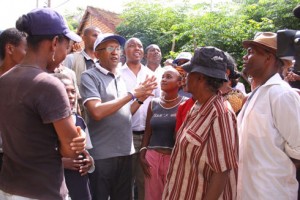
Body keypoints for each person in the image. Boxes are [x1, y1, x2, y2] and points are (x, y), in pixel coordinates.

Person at [0, 8, 85, 200]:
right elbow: (71, 150)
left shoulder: (4, 80)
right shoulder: (48, 84)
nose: (67, 51)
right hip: (42, 191)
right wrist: (77, 137)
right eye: (68, 45)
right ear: (55, 43)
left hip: (8, 188)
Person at [80, 33, 157, 200]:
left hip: (126, 153)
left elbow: (125, 112)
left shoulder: (120, 78)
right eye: (109, 48)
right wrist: (132, 94)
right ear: (97, 53)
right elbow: (97, 112)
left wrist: (141, 100)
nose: (115, 52)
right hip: (102, 156)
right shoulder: (89, 76)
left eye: (117, 48)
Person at [163, 46, 238, 200]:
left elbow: (222, 171)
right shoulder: (198, 106)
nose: (184, 78)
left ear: (200, 78)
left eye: (188, 73)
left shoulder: (220, 114)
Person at [237, 32, 300, 199]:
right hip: (246, 192)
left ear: (268, 58)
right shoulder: (256, 95)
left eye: (251, 52)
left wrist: (275, 169)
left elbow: (299, 149)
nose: (245, 57)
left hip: (271, 193)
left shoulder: (281, 94)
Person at [120, 38, 159, 200]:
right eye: (131, 45)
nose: (136, 48)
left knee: (145, 181)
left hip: (147, 138)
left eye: (140, 46)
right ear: (124, 52)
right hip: (124, 135)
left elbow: (157, 105)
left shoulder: (151, 75)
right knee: (124, 182)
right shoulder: (117, 74)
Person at [140, 66, 186, 200]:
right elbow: (148, 132)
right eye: (163, 77)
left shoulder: (185, 104)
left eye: (169, 77)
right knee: (152, 196)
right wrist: (143, 154)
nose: (164, 80)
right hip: (152, 158)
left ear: (180, 82)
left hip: (173, 159)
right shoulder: (153, 103)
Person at [53, 73, 94, 200]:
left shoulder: (79, 120)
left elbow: (86, 151)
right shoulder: (44, 123)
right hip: (55, 183)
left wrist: (89, 162)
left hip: (79, 183)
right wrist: (60, 163)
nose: (70, 96)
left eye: (72, 92)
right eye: (65, 91)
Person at [0, 28, 27, 171]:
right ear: (10, 48)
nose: (30, 55)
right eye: (26, 49)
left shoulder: (28, 82)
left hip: (17, 160)